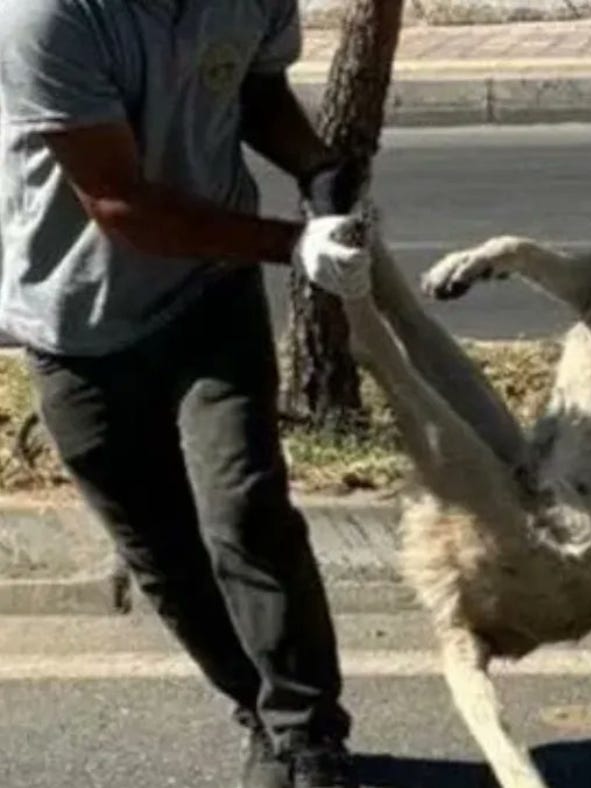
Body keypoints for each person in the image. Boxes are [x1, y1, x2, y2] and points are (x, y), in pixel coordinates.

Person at [0, 2, 366, 786]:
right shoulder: (48, 18)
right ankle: (259, 710)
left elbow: (253, 87)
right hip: (77, 327)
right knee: (161, 552)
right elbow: (120, 204)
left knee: (245, 509)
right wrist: (293, 243)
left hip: (210, 295)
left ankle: (307, 736)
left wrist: (316, 166)